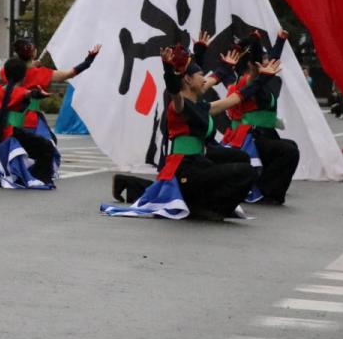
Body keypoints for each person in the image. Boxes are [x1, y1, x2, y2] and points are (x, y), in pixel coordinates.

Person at [104, 44, 263, 221]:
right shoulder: (178, 105)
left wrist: (261, 78)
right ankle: (206, 209)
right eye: (201, 75)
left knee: (237, 166)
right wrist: (168, 69)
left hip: (198, 163)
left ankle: (195, 204)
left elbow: (235, 98)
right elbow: (174, 90)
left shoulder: (202, 106)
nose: (206, 79)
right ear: (187, 80)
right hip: (184, 168)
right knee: (242, 171)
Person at [215, 30, 300, 205]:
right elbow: (258, 63)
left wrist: (280, 40)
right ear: (253, 65)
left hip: (260, 132)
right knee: (288, 151)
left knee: (288, 147)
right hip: (248, 136)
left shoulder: (259, 80)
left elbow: (269, 62)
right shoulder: (249, 82)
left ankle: (264, 184)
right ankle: (267, 191)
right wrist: (254, 41)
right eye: (264, 59)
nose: (269, 62)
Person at [0, 58, 59, 188]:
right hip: (14, 135)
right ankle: (41, 178)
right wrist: (39, 94)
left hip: (3, 135)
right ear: (23, 76)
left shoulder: (1, 89)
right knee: (46, 149)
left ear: (6, 75)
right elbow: (30, 93)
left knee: (13, 167)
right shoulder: (18, 91)